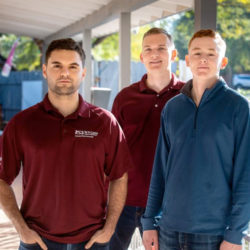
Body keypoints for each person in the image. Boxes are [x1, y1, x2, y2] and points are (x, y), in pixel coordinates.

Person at [0, 38, 132, 250]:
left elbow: (119, 176)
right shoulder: (22, 124)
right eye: (57, 66)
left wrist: (109, 228)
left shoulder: (105, 123)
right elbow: (1, 179)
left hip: (92, 241)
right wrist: (21, 228)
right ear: (44, 70)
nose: (65, 73)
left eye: (73, 66)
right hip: (37, 240)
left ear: (83, 72)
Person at [142, 29, 250, 250]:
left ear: (223, 61)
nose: (203, 58)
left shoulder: (238, 107)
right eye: (197, 53)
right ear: (187, 60)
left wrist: (235, 233)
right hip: (169, 230)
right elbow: (160, 170)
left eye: (211, 54)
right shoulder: (172, 108)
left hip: (215, 233)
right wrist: (149, 220)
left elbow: (246, 177)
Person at [109, 27, 184, 249]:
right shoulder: (125, 98)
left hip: (166, 202)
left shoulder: (186, 96)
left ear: (173, 54)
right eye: (148, 49)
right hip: (123, 199)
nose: (154, 54)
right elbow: (111, 149)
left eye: (161, 48)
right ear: (141, 57)